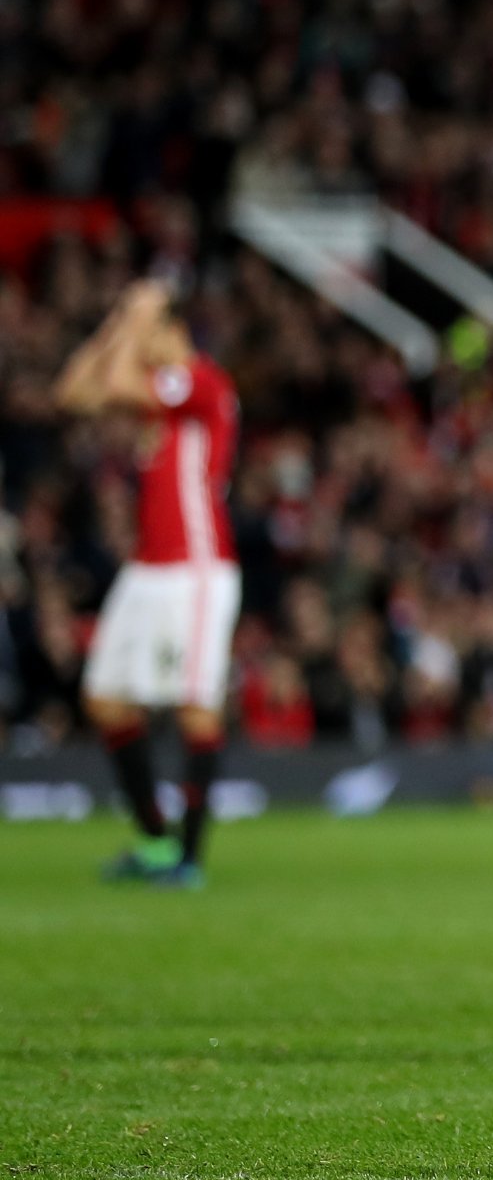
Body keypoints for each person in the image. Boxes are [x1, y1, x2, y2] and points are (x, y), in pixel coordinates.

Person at [54, 279, 242, 890]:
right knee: (106, 698)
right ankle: (154, 840)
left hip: (195, 568)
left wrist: (135, 322)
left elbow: (109, 385)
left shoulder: (200, 380)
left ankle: (187, 858)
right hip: (148, 567)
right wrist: (120, 319)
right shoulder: (160, 396)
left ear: (175, 332)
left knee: (195, 706)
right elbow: (73, 393)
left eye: (153, 330)